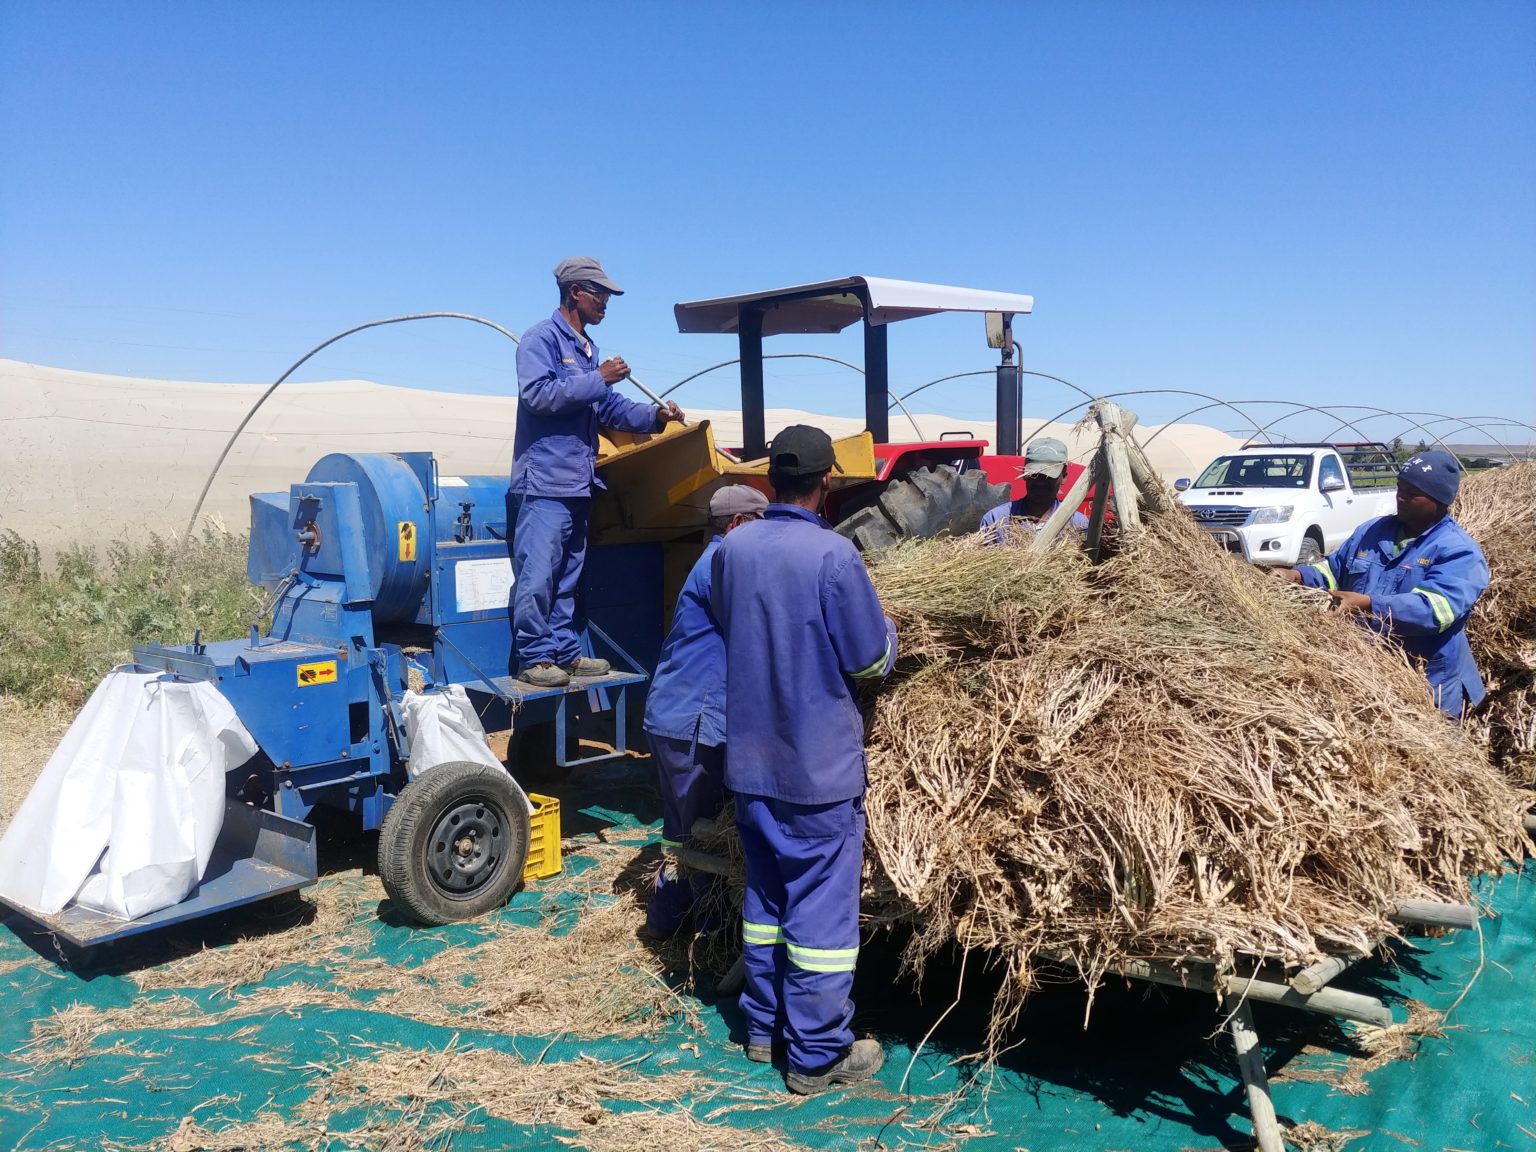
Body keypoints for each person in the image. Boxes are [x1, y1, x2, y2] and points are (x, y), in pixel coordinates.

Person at [710, 424, 897, 1095]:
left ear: (769, 480)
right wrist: (891, 634)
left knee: (765, 897)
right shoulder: (834, 556)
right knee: (819, 913)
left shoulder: (734, 550)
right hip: (816, 770)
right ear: (826, 482)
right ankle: (816, 1055)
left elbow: (736, 627)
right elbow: (868, 661)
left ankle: (763, 1028)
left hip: (750, 763)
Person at [509, 257, 685, 688]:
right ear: (575, 292)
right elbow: (538, 395)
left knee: (568, 574)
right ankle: (535, 656)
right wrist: (600, 378)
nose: (605, 302)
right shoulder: (540, 340)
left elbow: (608, 408)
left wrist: (655, 417)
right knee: (539, 574)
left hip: (578, 482)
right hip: (545, 482)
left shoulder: (587, 349)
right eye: (599, 294)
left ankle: (564, 652)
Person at [1273, 450, 1489, 719]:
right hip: (1369, 670)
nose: (1401, 497)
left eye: (1412, 493)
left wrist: (1367, 604)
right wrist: (1298, 576)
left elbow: (1434, 610)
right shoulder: (1372, 531)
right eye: (1400, 487)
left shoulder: (1459, 551)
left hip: (1427, 679)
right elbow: (1334, 569)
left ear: (1440, 500)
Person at [641, 482, 768, 938]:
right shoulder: (723, 565)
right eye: (760, 526)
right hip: (693, 720)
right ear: (737, 523)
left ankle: (667, 921)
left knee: (680, 827)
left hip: (672, 715)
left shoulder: (710, 559)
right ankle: (708, 933)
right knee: (703, 831)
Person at [979, 436, 1089, 542]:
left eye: (1048, 476)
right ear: (1024, 474)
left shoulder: (1078, 525)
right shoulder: (995, 521)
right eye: (1034, 475)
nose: (1040, 482)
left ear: (1064, 477)